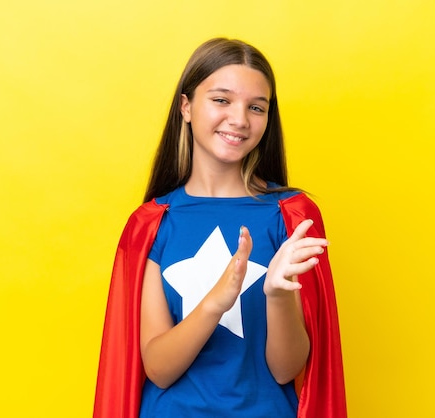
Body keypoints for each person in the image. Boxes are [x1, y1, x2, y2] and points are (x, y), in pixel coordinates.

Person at [93, 38, 346, 418]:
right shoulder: (153, 222)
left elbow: (285, 369)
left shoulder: (290, 215)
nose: (240, 119)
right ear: (186, 107)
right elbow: (158, 370)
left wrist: (276, 294)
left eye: (256, 107)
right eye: (222, 100)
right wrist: (218, 299)